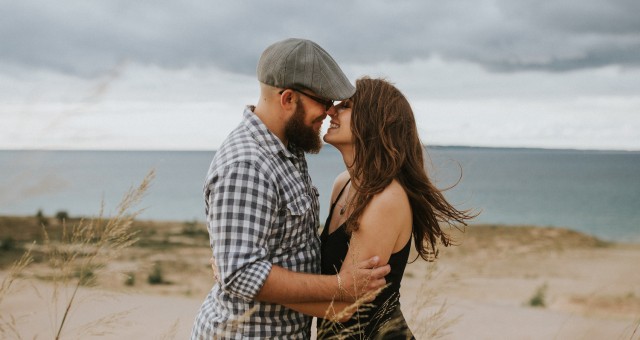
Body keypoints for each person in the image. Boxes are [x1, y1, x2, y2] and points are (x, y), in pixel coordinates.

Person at [190, 39, 391, 339]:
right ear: (287, 99)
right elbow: (241, 274)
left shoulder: (289, 148)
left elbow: (249, 265)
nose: (329, 111)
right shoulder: (248, 165)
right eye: (322, 101)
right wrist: (340, 288)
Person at [284, 77, 476, 339]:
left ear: (373, 122)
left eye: (347, 106)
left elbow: (344, 307)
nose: (331, 110)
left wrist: (256, 287)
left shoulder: (386, 198)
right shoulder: (343, 184)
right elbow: (333, 282)